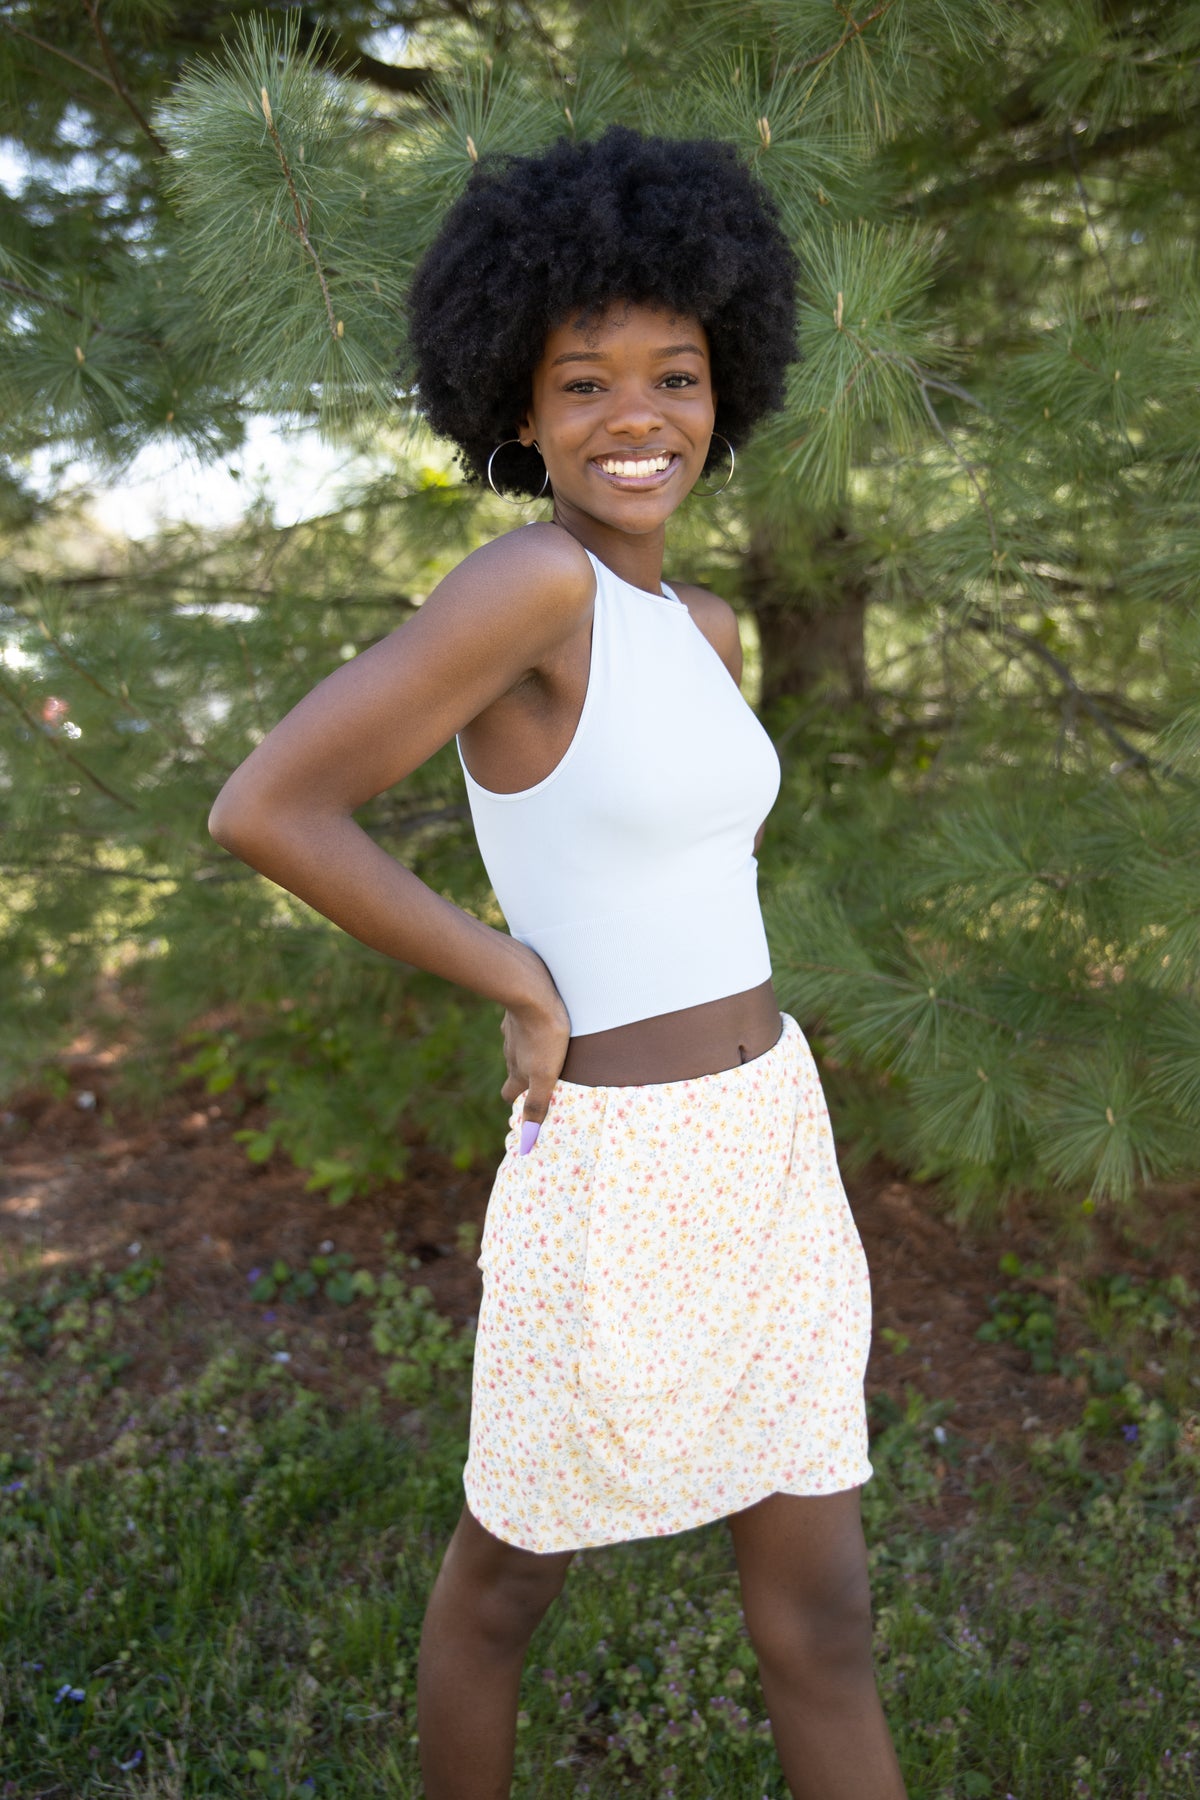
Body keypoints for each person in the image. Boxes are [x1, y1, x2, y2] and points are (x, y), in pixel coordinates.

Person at [208, 124, 906, 1800]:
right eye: (583, 384)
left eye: (675, 377)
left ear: (727, 389)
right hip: (616, 1169)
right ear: (518, 411)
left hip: (769, 1140)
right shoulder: (531, 585)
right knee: (509, 1580)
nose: (634, 417)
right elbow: (270, 808)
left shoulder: (704, 627)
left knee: (823, 1618)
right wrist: (516, 978)